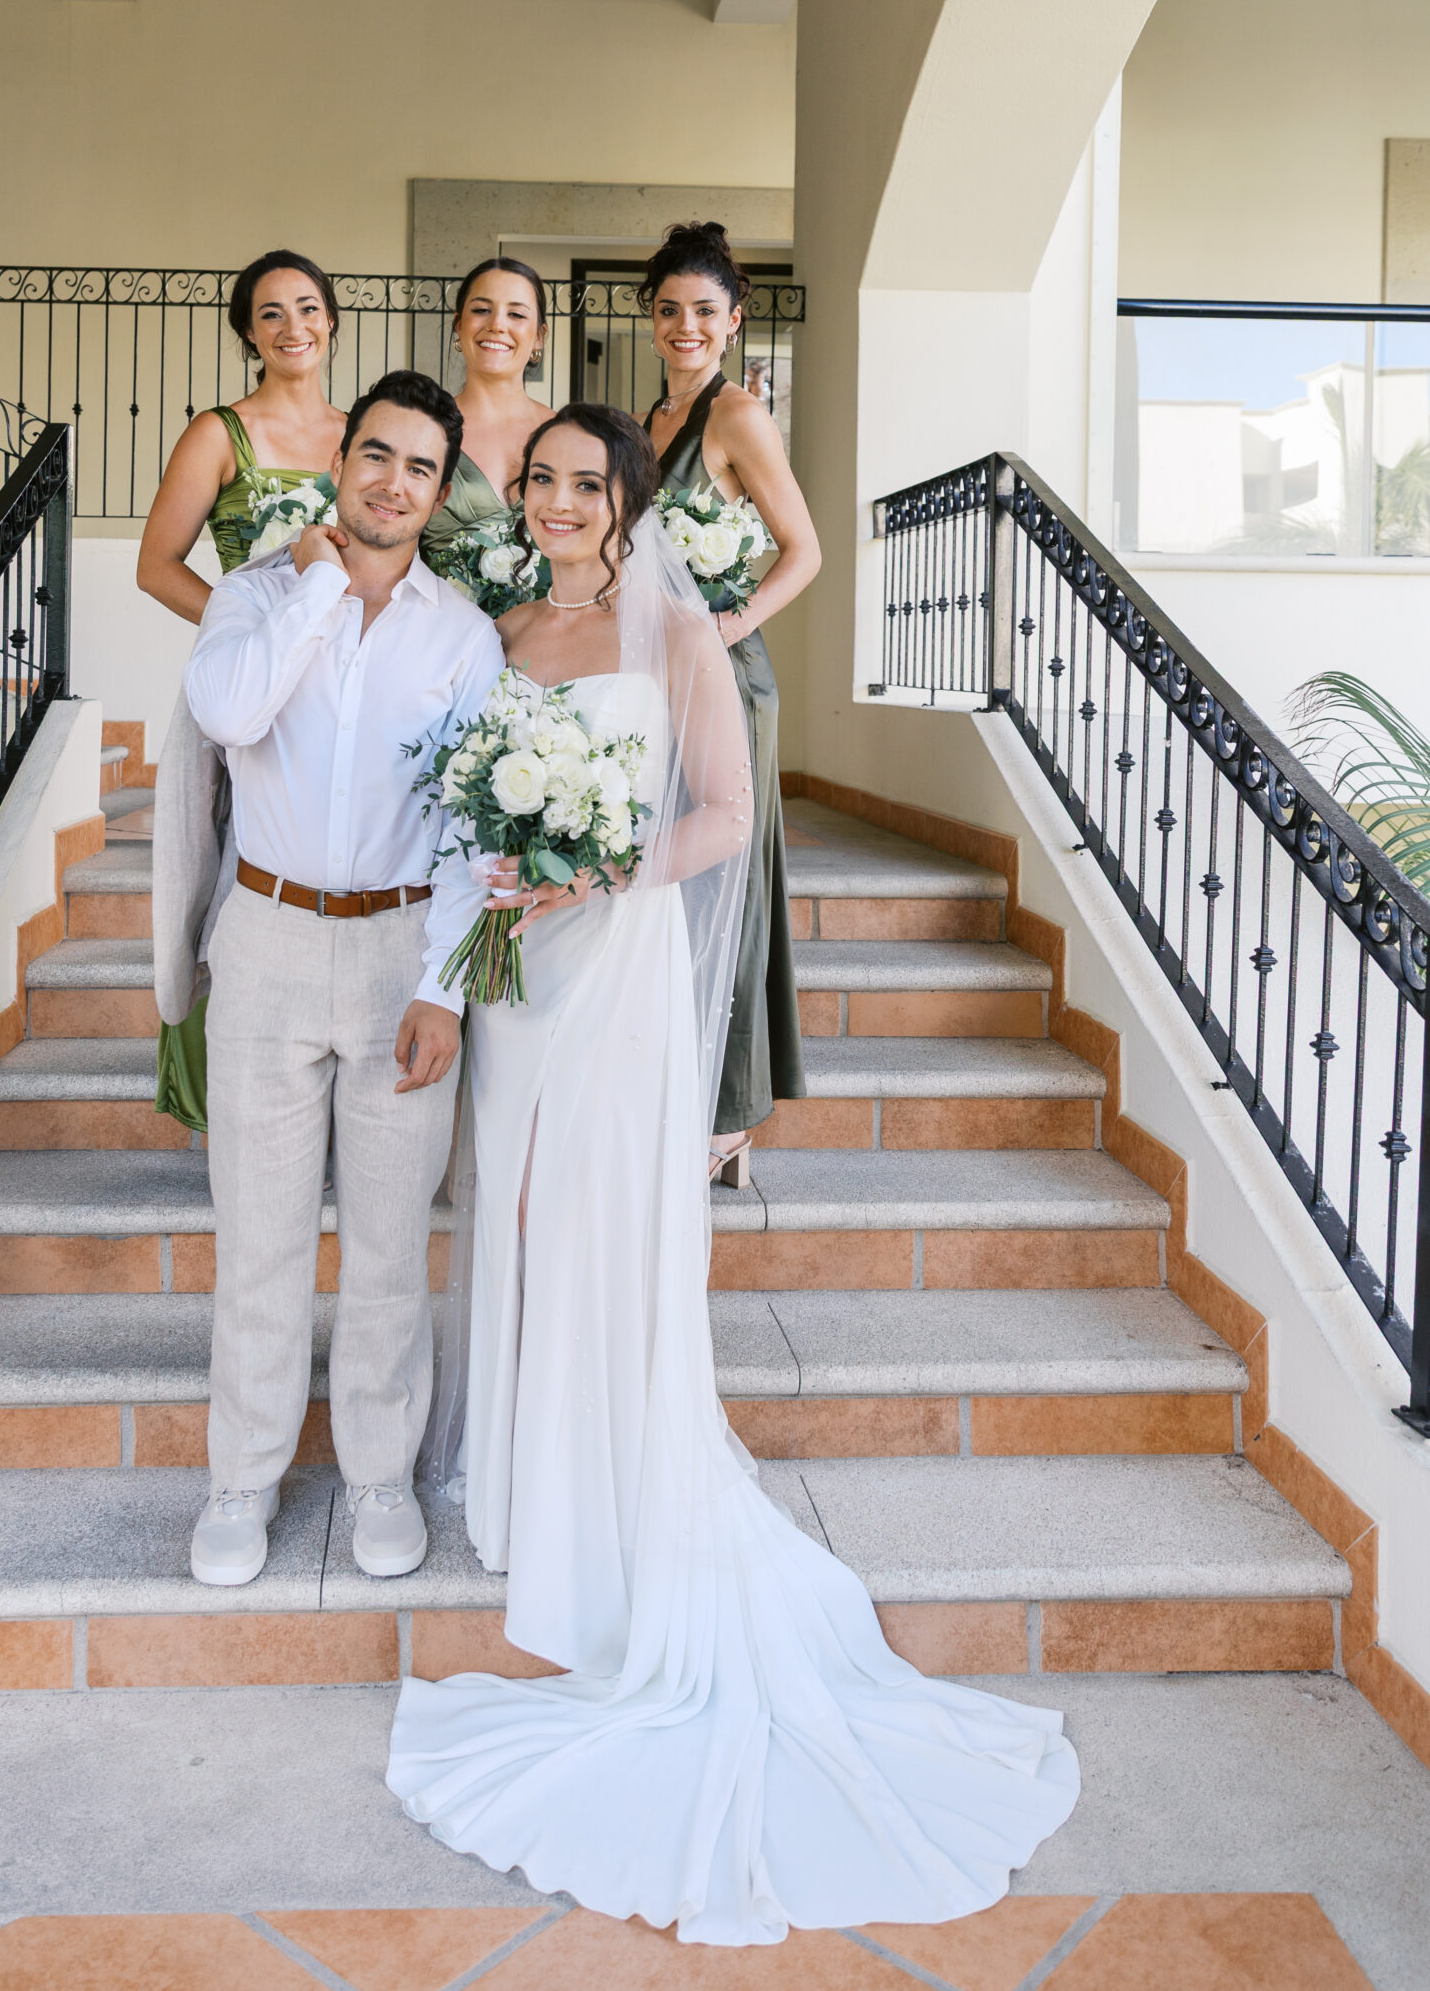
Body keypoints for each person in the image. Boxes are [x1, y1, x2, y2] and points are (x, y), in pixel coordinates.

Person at [386, 405, 1079, 1945]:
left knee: (596, 1218)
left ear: (628, 501)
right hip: (513, 983)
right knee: (510, 1206)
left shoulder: (672, 627)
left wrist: (591, 870)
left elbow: (719, 811)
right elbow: (457, 802)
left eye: (588, 484)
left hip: (615, 967)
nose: (561, 503)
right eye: (543, 482)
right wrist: (503, 881)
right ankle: (516, 1475)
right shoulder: (498, 627)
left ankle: (608, 1491)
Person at [181, 371, 502, 1588]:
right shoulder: (257, 598)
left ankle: (378, 1468)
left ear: (437, 491)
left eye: (421, 467)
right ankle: (243, 1478)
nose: (393, 481)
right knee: (257, 1234)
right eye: (377, 454)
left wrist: (446, 989)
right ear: (342, 464)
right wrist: (317, 584)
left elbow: (476, 832)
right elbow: (229, 709)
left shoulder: (463, 635)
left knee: (384, 1244)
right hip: (263, 942)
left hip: (397, 956)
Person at [138, 251, 347, 1138]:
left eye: (307, 308)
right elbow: (155, 566)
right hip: (248, 696)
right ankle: (223, 1087)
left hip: (346, 697)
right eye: (270, 314)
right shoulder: (218, 432)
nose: (292, 326)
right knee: (222, 879)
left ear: (331, 320)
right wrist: (241, 638)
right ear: (247, 333)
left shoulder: (363, 429)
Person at [640, 222, 820, 1184]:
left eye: (703, 311)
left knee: (729, 885)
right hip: (657, 683)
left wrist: (729, 623)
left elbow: (805, 551)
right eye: (668, 309)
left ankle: (730, 1114)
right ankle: (679, 1078)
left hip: (725, 674)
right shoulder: (650, 421)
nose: (684, 326)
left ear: (733, 319)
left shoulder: (736, 415)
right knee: (676, 885)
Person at [420, 257, 553, 572]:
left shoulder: (567, 435)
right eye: (481, 310)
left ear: (539, 337)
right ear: (458, 324)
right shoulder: (423, 431)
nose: (497, 324)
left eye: (517, 314)